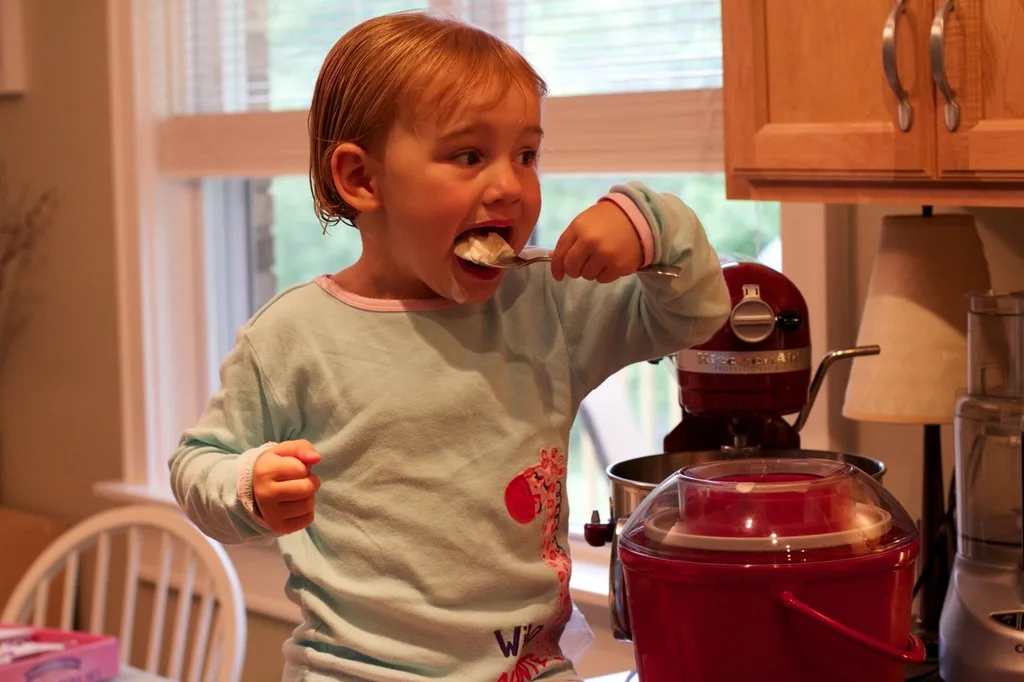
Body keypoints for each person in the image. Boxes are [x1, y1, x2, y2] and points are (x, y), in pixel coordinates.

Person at [169, 10, 730, 682]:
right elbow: (197, 462)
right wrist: (247, 485)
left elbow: (695, 314)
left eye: (526, 154)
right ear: (362, 180)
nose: (509, 185)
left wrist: (653, 224)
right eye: (469, 155)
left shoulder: (545, 307)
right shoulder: (295, 336)